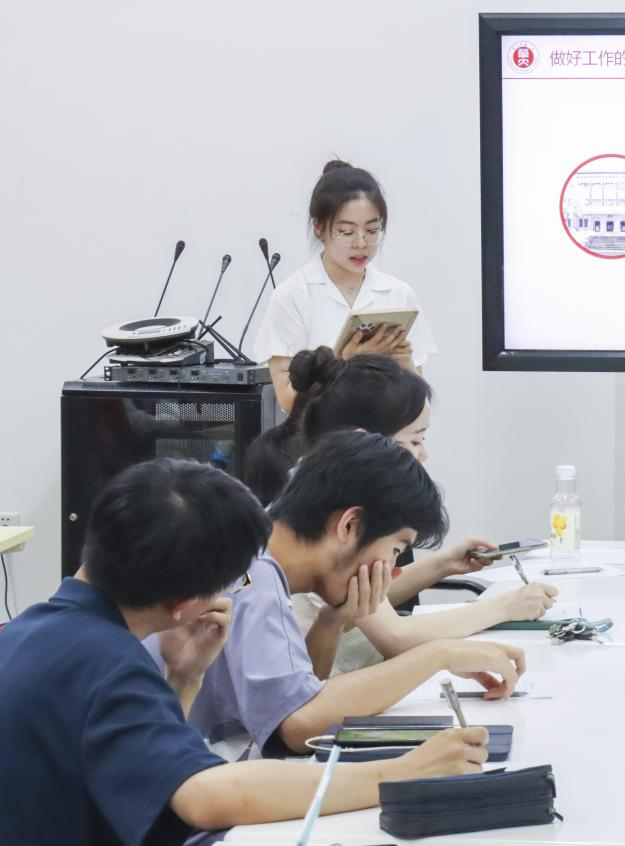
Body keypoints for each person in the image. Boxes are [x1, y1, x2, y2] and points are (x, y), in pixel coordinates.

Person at [0, 459, 488, 845]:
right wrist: (403, 772)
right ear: (188, 604)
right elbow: (206, 797)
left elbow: (141, 772)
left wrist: (183, 679)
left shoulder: (31, 632)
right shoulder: (109, 665)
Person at [153, 431, 525, 760]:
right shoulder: (256, 574)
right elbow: (297, 727)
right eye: (396, 549)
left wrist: (332, 621)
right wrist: (438, 655)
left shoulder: (260, 545)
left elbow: (297, 696)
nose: (391, 568)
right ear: (349, 525)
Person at [246, 347, 555, 677]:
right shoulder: (279, 563)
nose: (423, 454)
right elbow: (394, 637)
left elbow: (360, 598)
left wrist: (443, 564)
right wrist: (504, 607)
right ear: (366, 442)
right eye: (415, 440)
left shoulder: (319, 497)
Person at [253, 160, 438, 413]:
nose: (361, 243)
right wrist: (347, 360)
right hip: (323, 436)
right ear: (319, 228)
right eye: (346, 232)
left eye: (372, 230)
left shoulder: (399, 294)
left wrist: (405, 363)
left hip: (384, 435)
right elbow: (288, 401)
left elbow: (420, 406)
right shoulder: (292, 295)